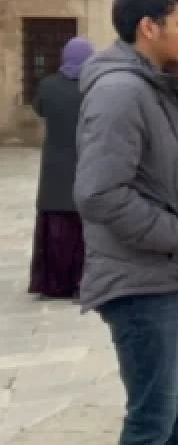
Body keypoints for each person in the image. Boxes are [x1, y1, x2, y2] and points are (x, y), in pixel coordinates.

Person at [75, 0, 178, 445]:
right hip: (143, 279)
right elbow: (99, 193)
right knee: (152, 417)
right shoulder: (121, 92)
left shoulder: (167, 87)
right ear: (148, 27)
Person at [27, 37, 94, 300]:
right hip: (85, 160)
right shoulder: (93, 86)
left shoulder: (48, 85)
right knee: (83, 224)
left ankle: (54, 282)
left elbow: (40, 109)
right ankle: (82, 280)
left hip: (55, 165)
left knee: (55, 223)